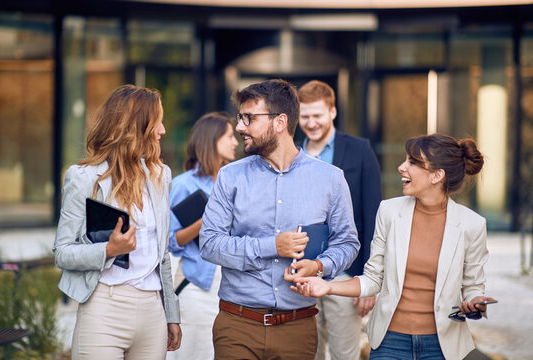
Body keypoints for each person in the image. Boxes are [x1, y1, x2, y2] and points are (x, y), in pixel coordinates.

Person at [289, 133, 497, 360]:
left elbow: (474, 288)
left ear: (437, 175)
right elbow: (373, 279)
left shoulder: (472, 225)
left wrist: (476, 304)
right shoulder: (388, 211)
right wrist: (327, 286)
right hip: (389, 343)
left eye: (413, 162)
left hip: (443, 347)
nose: (401, 167)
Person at [199, 79, 360, 360]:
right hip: (237, 326)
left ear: (280, 122)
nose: (240, 127)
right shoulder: (230, 176)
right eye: (240, 118)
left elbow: (347, 243)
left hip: (298, 328)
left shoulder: (331, 179)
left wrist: (320, 265)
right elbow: (210, 244)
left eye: (248, 118)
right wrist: (273, 245)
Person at [53, 84, 181, 360]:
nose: (163, 131)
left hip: (152, 311)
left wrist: (172, 314)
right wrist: (108, 250)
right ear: (136, 127)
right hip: (103, 308)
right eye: (157, 122)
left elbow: (164, 254)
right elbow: (62, 252)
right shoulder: (83, 177)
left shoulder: (161, 176)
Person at [298, 80, 381, 360]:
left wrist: (370, 280)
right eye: (305, 116)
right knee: (309, 352)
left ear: (332, 112)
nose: (311, 123)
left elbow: (372, 215)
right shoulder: (292, 154)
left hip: (348, 272)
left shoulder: (359, 150)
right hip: (304, 272)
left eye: (317, 115)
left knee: (346, 353)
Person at [167, 112, 239, 360]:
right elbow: (170, 242)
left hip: (235, 288)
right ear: (212, 139)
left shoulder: (238, 180)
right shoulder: (182, 185)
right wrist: (203, 222)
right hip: (198, 288)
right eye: (230, 136)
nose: (236, 142)